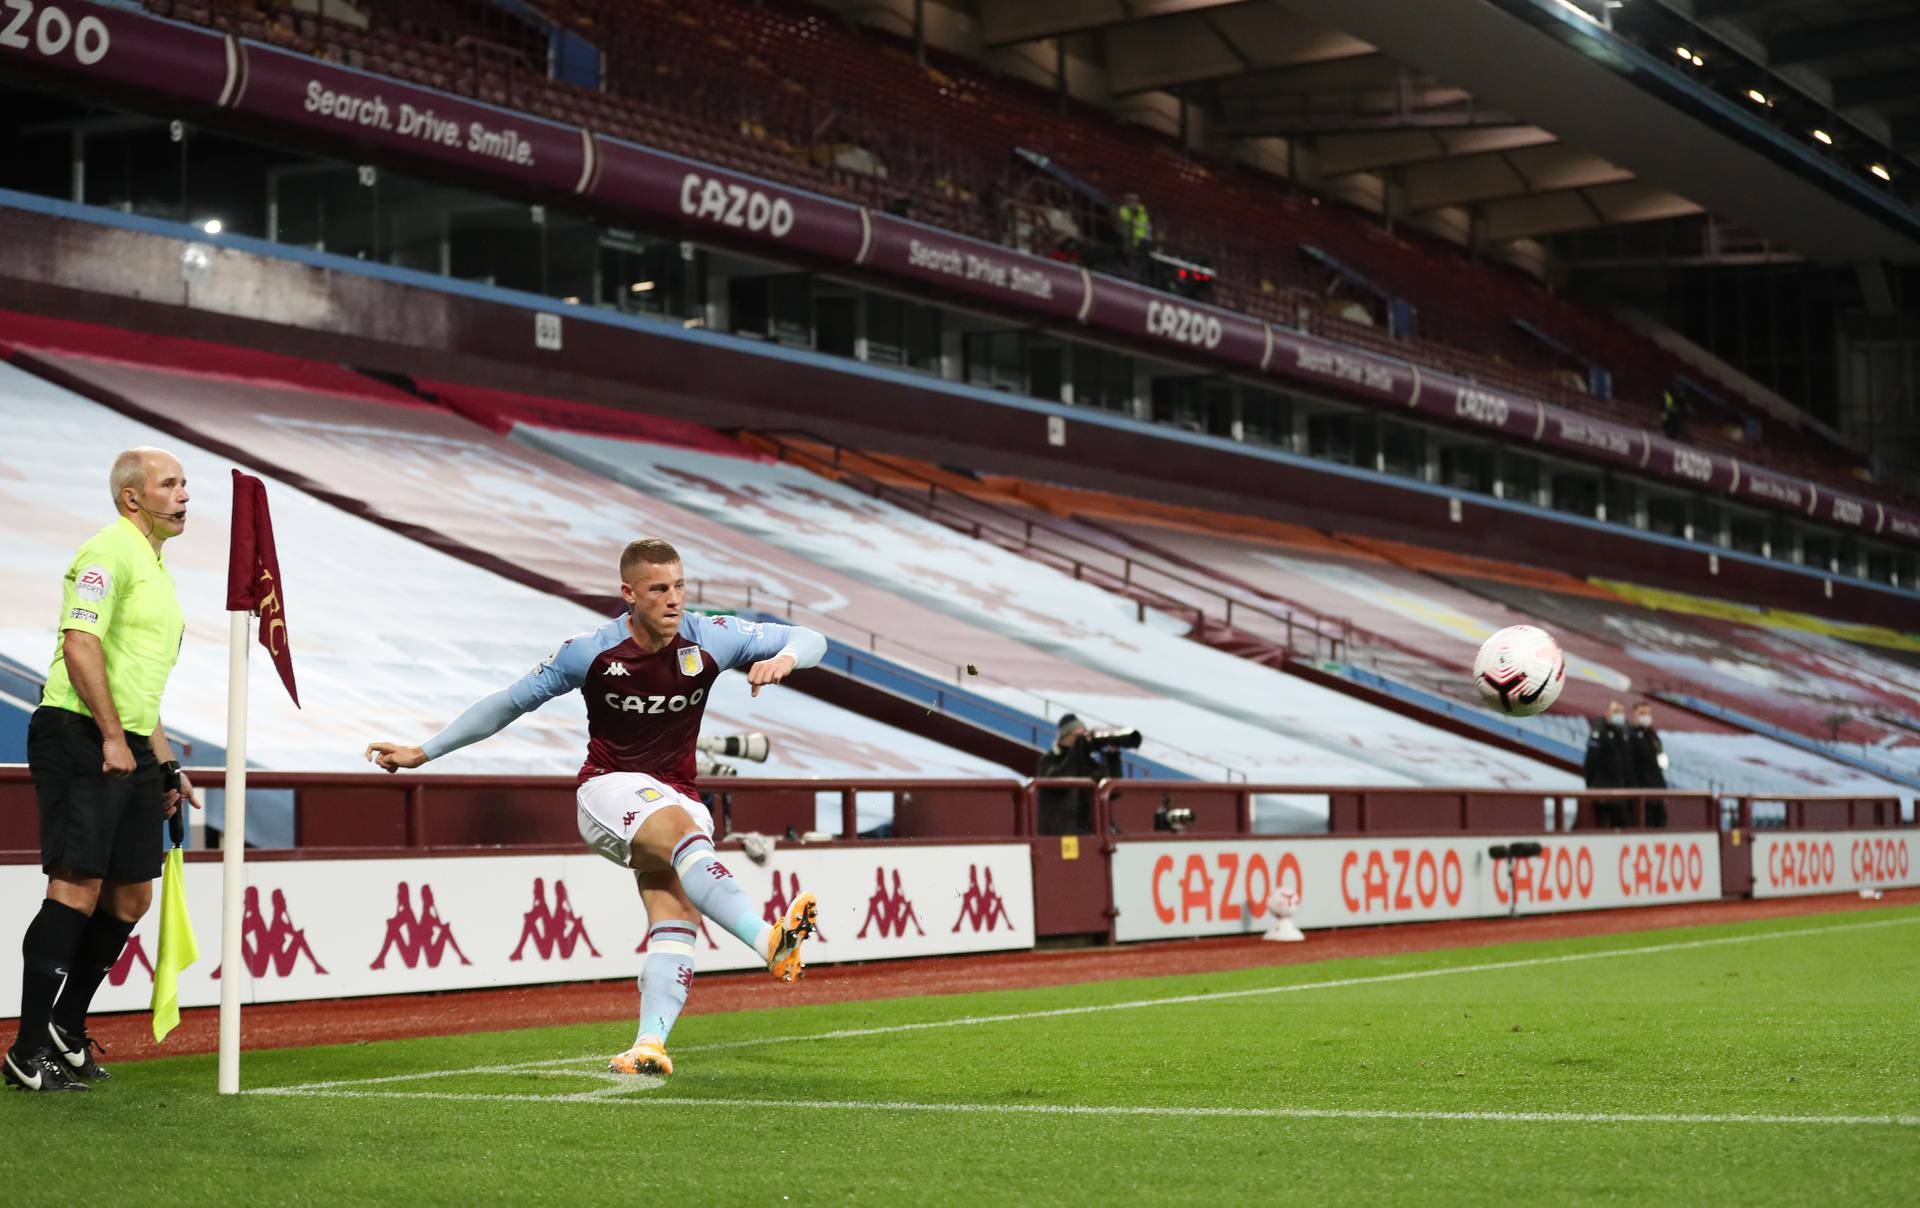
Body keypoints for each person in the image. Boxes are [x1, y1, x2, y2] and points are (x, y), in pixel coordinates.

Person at [364, 538, 826, 1078]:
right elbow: (509, 703)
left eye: (679, 586)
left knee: (676, 917)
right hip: (609, 789)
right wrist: (424, 751)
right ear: (629, 593)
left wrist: (785, 659)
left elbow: (810, 637)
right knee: (683, 836)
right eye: (659, 589)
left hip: (676, 791)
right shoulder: (590, 652)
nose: (674, 599)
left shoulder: (712, 636)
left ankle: (649, 1045)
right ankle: (768, 940)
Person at [8, 447, 199, 1092]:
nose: (183, 494)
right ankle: (26, 1049)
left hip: (130, 741)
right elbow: (79, 642)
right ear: (132, 498)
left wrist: (165, 763)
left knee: (131, 894)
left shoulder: (155, 565)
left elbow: (139, 683)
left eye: (184, 484)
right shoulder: (107, 553)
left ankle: (64, 1027)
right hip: (78, 732)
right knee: (76, 888)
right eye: (169, 484)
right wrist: (114, 740)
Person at [1034, 714, 1114, 834]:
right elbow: (1059, 783)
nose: (1084, 740)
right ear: (1064, 737)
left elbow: (1113, 791)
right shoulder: (1048, 760)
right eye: (1079, 736)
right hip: (1059, 832)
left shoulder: (1089, 762)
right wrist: (1077, 749)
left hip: (1091, 832)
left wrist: (1112, 756)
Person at [1583, 699, 1631, 828]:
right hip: (1603, 791)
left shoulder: (1622, 734)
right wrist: (1591, 786)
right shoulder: (1599, 732)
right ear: (1607, 712)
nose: (1619, 715)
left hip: (1620, 791)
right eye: (1616, 711)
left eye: (1621, 712)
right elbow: (1590, 762)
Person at [1625, 703, 1669, 828]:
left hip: (1657, 791)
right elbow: (1630, 768)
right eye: (1642, 713)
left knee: (1661, 824)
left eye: (1647, 713)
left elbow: (1660, 764)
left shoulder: (1653, 736)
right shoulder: (1630, 736)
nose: (1646, 716)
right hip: (1642, 794)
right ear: (1634, 715)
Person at [1114, 191, 1153, 276]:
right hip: (1127, 237)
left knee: (1139, 255)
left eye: (1134, 200)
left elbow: (1146, 223)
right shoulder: (1123, 210)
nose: (1132, 202)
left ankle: (1135, 272)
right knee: (1125, 251)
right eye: (1130, 200)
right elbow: (1125, 221)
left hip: (1140, 239)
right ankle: (1124, 268)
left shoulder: (1142, 210)